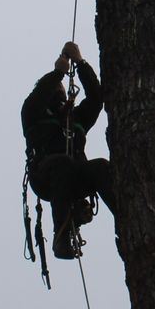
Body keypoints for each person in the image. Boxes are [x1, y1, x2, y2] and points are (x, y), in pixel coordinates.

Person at [22, 41, 116, 258]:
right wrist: (57, 73)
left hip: (74, 175)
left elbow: (95, 98)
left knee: (101, 167)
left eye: (61, 88)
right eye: (55, 88)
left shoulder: (75, 119)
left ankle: (126, 216)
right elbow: (37, 97)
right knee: (63, 165)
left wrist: (80, 63)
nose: (59, 89)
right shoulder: (33, 114)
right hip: (46, 176)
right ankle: (61, 237)